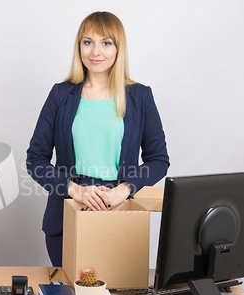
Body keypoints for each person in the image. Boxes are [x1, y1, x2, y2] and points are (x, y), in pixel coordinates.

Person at [26, 11, 169, 267]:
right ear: (79, 46)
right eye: (87, 41)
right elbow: (35, 159)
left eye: (106, 42)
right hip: (67, 214)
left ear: (118, 48)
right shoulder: (60, 95)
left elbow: (158, 160)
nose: (95, 51)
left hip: (119, 214)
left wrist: (124, 190)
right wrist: (75, 190)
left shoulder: (140, 96)